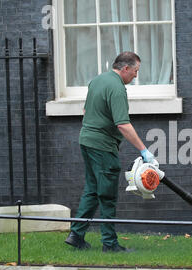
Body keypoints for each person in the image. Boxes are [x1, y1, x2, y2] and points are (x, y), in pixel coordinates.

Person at [65, 51, 155, 253]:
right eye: (135, 71)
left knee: (92, 189)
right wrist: (144, 150)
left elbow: (86, 112)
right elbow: (123, 124)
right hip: (103, 146)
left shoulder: (97, 81)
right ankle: (110, 244)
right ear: (125, 69)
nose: (135, 76)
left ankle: (76, 235)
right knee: (107, 195)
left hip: (86, 141)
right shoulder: (117, 88)